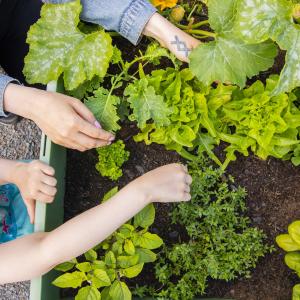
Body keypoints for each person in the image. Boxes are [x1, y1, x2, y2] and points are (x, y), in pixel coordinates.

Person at [0, 0, 197, 283]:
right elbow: (45, 251)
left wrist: (160, 29)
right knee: (58, 88)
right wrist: (143, 190)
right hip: (36, 238)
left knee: (55, 92)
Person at [0, 162, 192, 283]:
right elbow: (44, 251)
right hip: (24, 241)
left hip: (23, 189)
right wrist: (142, 191)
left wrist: (16, 172)